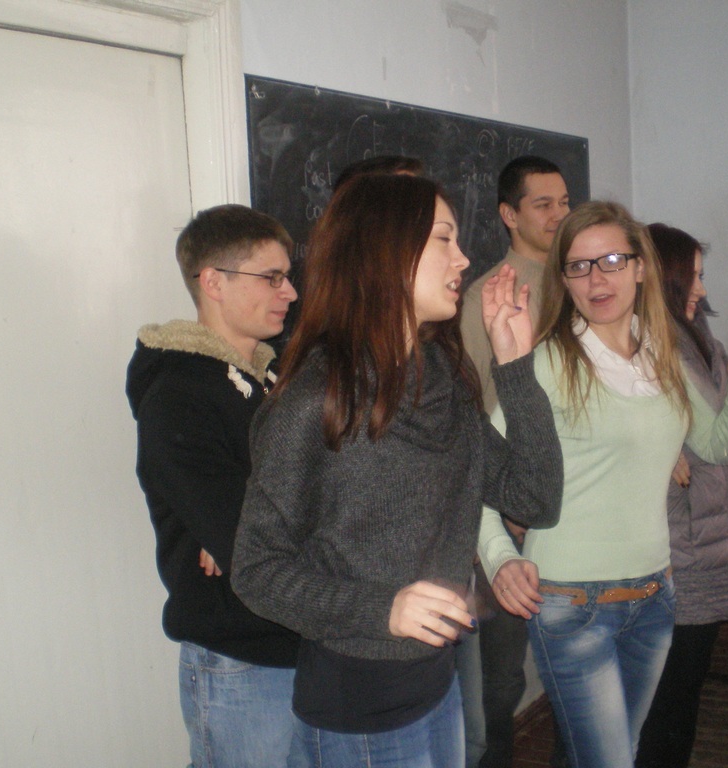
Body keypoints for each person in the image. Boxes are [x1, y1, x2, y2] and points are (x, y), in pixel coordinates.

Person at [229, 173, 564, 768]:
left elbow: (535, 498)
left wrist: (515, 367)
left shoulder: (443, 377)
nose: (463, 258)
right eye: (444, 239)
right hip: (358, 711)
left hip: (437, 686)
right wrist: (381, 609)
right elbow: (256, 570)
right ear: (384, 250)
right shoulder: (317, 399)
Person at [478, 201, 728, 768]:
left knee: (615, 753)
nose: (597, 279)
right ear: (563, 279)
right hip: (571, 602)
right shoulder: (549, 363)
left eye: (612, 261)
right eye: (579, 266)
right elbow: (477, 475)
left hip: (655, 597)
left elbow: (714, 445)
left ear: (641, 267)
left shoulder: (661, 350)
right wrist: (500, 557)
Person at [125, 204, 302, 766]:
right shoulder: (179, 394)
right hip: (240, 660)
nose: (290, 292)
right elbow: (244, 541)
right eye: (271, 277)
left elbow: (335, 479)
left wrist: (260, 512)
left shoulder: (278, 378)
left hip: (302, 643)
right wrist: (248, 525)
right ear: (213, 282)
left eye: (287, 276)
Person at [634, 223, 728, 768]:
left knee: (680, 693)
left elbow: (703, 435)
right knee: (666, 699)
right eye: (693, 276)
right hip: (682, 545)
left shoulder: (691, 334)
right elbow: (715, 443)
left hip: (705, 535)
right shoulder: (651, 343)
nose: (702, 288)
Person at [459, 155, 570, 767]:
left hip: (564, 497)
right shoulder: (491, 294)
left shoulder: (577, 281)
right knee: (500, 678)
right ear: (508, 214)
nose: (559, 215)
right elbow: (477, 407)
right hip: (507, 508)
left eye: (565, 202)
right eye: (542, 204)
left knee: (567, 657)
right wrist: (504, 509)